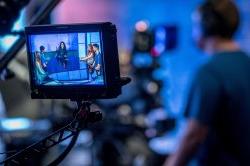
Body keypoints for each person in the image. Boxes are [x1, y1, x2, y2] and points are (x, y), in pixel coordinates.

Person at [164, 0, 250, 166]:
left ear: (206, 26)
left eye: (195, 25)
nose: (194, 32)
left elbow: (193, 136)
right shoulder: (246, 62)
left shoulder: (209, 72)